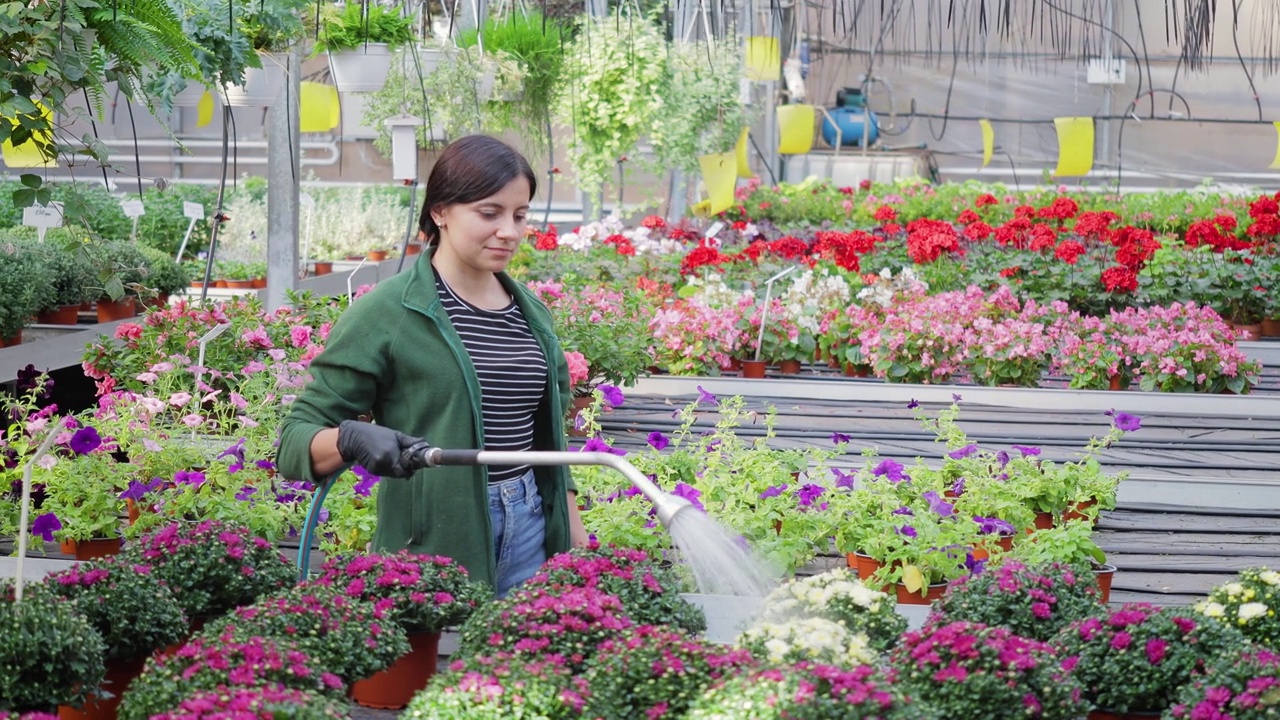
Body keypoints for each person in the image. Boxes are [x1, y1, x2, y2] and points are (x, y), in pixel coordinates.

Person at [277, 135, 589, 597]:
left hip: (531, 530)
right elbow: (294, 442)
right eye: (490, 213)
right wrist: (348, 438)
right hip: (435, 543)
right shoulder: (388, 313)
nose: (510, 231)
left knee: (521, 667)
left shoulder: (531, 313)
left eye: (519, 215)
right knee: (436, 667)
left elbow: (548, 438)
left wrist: (574, 535)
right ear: (440, 211)